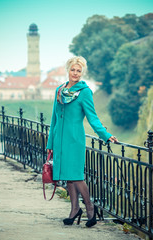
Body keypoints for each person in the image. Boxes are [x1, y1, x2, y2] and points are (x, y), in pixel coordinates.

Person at [47, 56, 118, 227]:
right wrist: (50, 144)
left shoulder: (85, 92)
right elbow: (54, 119)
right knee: (68, 177)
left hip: (74, 139)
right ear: (68, 70)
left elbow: (92, 118)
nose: (76, 73)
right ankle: (74, 210)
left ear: (82, 73)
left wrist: (105, 134)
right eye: (73, 69)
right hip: (60, 140)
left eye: (79, 71)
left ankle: (90, 209)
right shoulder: (59, 90)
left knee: (77, 176)